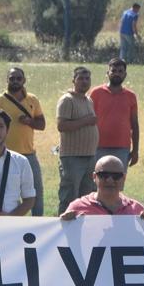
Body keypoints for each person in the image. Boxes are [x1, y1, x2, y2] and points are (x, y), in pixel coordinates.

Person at [0, 67, 46, 216]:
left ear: (24, 80)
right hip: (5, 155)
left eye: (18, 78)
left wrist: (29, 121)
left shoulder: (32, 100)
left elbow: (42, 125)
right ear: (7, 80)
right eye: (12, 78)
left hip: (28, 154)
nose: (15, 81)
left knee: (36, 191)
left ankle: (38, 222)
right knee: (5, 192)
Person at [56, 66, 99, 215]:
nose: (84, 81)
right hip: (72, 157)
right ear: (73, 80)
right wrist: (87, 121)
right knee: (69, 196)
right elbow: (62, 126)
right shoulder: (67, 100)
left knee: (87, 199)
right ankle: (63, 229)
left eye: (87, 78)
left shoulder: (88, 100)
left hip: (89, 156)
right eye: (81, 78)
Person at [61, 154, 144, 220]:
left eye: (116, 176)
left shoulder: (136, 210)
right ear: (94, 177)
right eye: (104, 175)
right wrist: (65, 224)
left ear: (124, 178)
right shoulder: (77, 208)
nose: (110, 180)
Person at [89, 58, 139, 169]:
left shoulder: (131, 96)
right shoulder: (96, 93)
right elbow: (88, 119)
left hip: (122, 147)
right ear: (108, 73)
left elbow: (134, 124)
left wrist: (135, 150)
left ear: (125, 74)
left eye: (120, 71)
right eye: (114, 71)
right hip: (98, 146)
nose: (117, 74)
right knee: (96, 182)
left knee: (118, 182)